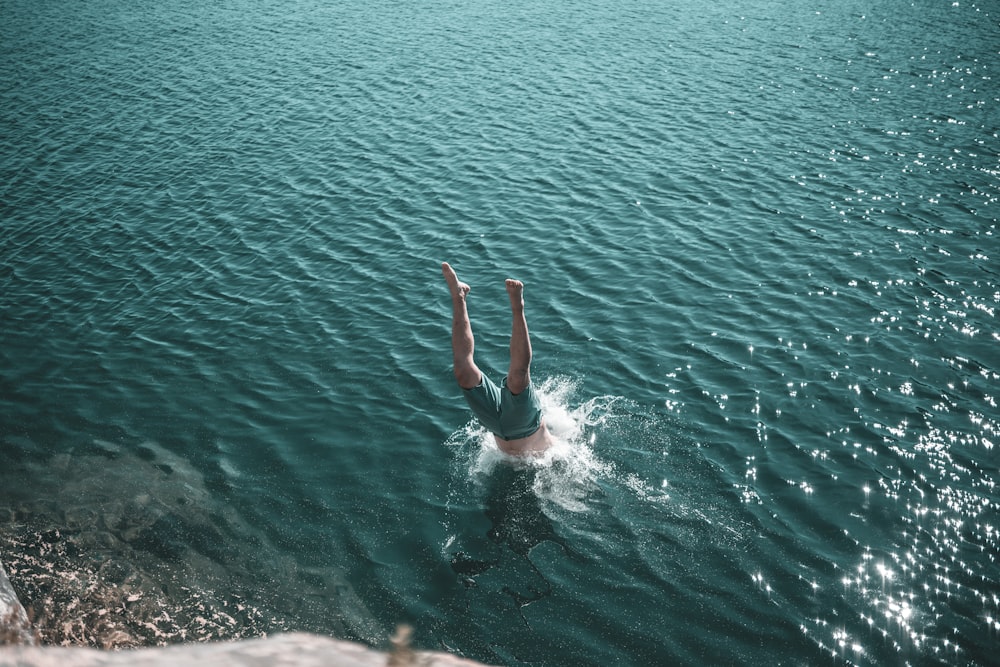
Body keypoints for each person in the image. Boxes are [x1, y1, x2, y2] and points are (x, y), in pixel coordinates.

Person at [442, 262, 553, 456]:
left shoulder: (560, 448)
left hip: (494, 423)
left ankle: (459, 297)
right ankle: (517, 306)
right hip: (525, 424)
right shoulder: (560, 448)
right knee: (517, 379)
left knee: (463, 372)